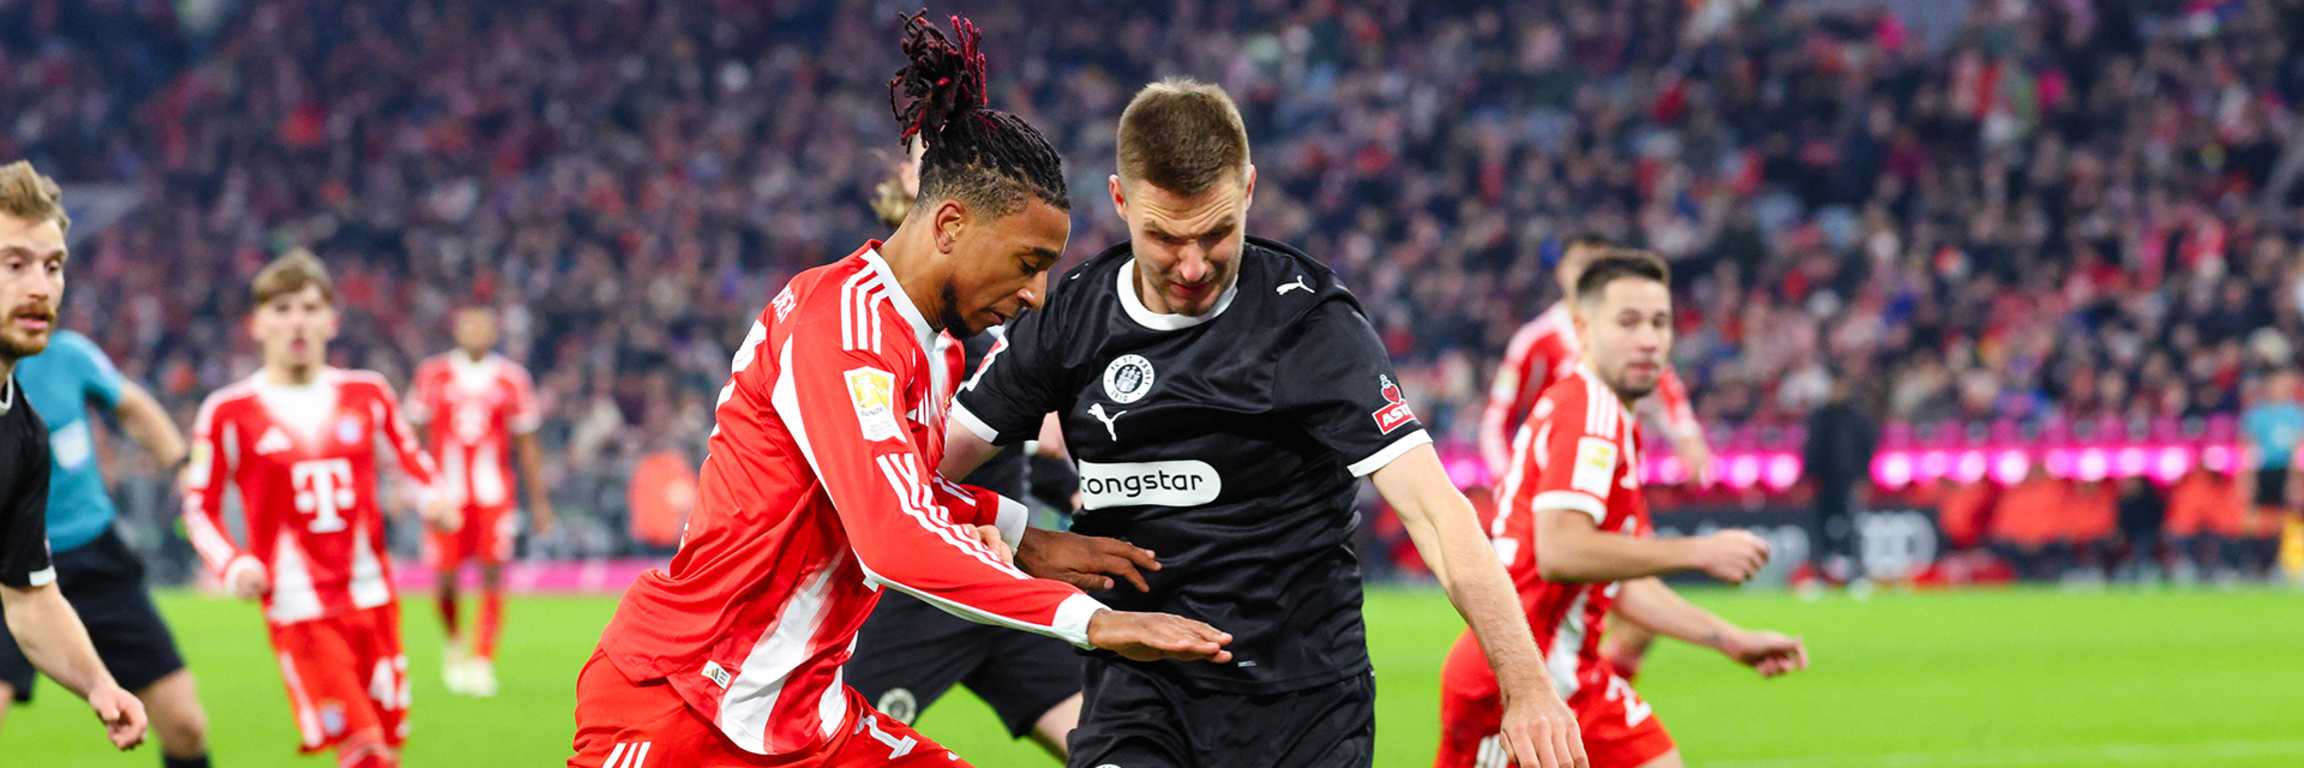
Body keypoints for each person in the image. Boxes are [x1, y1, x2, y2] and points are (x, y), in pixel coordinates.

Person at [568, 15, 1232, 767]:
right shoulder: (841, 328)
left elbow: (899, 491)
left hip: (805, 717)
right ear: (950, 224)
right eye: (1025, 261)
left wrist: (1029, 540)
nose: (1036, 294)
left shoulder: (912, 339)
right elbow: (891, 537)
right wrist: (1090, 621)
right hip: (685, 704)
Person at [943, 78, 1586, 768]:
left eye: (1217, 233)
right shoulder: (1071, 317)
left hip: (1301, 708)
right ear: (1121, 201)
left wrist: (1528, 688)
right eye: (1164, 237)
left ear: (1248, 190)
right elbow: (921, 470)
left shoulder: (1310, 327)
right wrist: (1023, 539)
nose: (1192, 266)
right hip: (1138, 696)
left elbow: (1436, 514)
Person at [1436, 250, 1808, 768]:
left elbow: (1623, 583)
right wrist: (1698, 552)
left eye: (1660, 323)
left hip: (1568, 672)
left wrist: (1731, 641)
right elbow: (1561, 551)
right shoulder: (1588, 413)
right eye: (1628, 322)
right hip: (1514, 679)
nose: (1649, 340)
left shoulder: (1607, 414)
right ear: (1584, 330)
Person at [846, 136, 1089, 757]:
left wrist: (1077, 494)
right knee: (832, 743)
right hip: (929, 592)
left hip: (999, 571)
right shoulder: (883, 321)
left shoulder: (978, 316)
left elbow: (1020, 446)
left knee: (1105, 745)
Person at [182, 251, 449, 768]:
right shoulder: (229, 410)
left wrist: (434, 498)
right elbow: (199, 507)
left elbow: (410, 464)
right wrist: (232, 564)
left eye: (309, 307)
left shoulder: (367, 392)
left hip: (374, 598)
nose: (297, 321)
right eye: (281, 309)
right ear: (257, 324)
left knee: (386, 744)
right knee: (365, 750)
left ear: (332, 319)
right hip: (299, 606)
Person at [1479, 235, 1713, 678]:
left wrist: (1687, 434)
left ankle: (1596, 690)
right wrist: (1511, 480)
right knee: (1581, 595)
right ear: (1561, 274)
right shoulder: (1537, 341)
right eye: (1578, 264)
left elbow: (1666, 385)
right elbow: (1496, 419)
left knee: (1638, 613)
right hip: (1557, 485)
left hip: (1615, 476)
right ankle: (1580, 691)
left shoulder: (1631, 335)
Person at [0, 159, 149, 754]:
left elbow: (30, 596)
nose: (41, 286)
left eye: (53, 265)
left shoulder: (24, 436)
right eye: (14, 264)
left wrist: (99, 685)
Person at [405, 306, 551, 698]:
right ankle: (454, 644)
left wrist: (539, 502)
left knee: (492, 575)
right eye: (468, 325)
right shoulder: (432, 374)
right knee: (446, 579)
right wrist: (406, 487)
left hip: (494, 497)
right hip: (445, 498)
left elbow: (527, 443)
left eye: (483, 326)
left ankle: (483, 661)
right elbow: (410, 435)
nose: (475, 332)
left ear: (494, 332)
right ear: (456, 330)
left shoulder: (512, 379)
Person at [1801, 373, 1877, 594]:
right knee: (1818, 530)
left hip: (1848, 481)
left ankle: (1858, 576)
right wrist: (1807, 477)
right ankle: (1819, 576)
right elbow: (1810, 449)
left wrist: (1863, 476)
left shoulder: (1857, 416)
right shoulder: (1820, 415)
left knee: (1853, 529)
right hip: (1822, 482)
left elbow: (1868, 448)